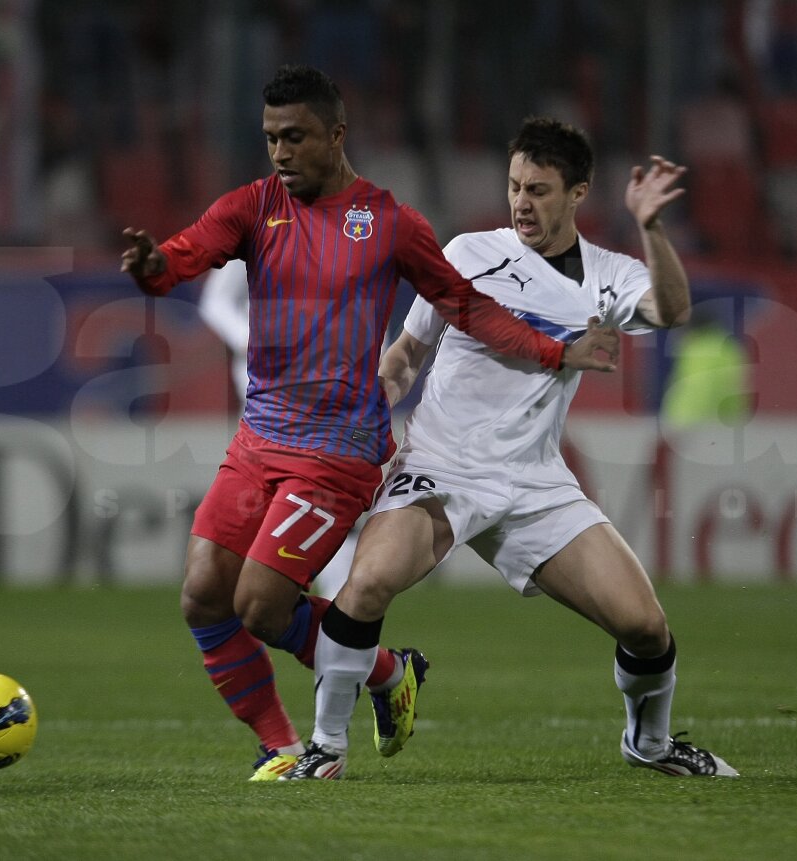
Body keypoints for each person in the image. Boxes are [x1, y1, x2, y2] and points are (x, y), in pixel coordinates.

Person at [121, 68, 617, 780]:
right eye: (270, 139)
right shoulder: (254, 207)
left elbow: (465, 306)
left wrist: (552, 350)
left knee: (260, 605)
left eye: (295, 137)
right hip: (258, 440)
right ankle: (318, 720)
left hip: (338, 452)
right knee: (202, 592)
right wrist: (152, 269)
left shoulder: (388, 223)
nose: (280, 153)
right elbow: (188, 251)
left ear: (336, 135)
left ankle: (362, 692)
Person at [282, 117, 738, 780]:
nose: (522, 201)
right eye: (515, 185)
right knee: (369, 581)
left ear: (578, 192)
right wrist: (370, 409)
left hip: (534, 481)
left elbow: (670, 311)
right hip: (441, 466)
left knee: (645, 626)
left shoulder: (609, 276)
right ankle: (326, 746)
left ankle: (650, 741)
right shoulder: (469, 253)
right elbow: (408, 354)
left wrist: (653, 227)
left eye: (540, 189)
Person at [197, 257, 356, 600]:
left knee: (325, 507)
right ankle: (264, 605)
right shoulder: (255, 225)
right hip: (263, 408)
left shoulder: (351, 229)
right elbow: (215, 301)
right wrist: (250, 340)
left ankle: (336, 614)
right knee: (254, 515)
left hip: (328, 401)